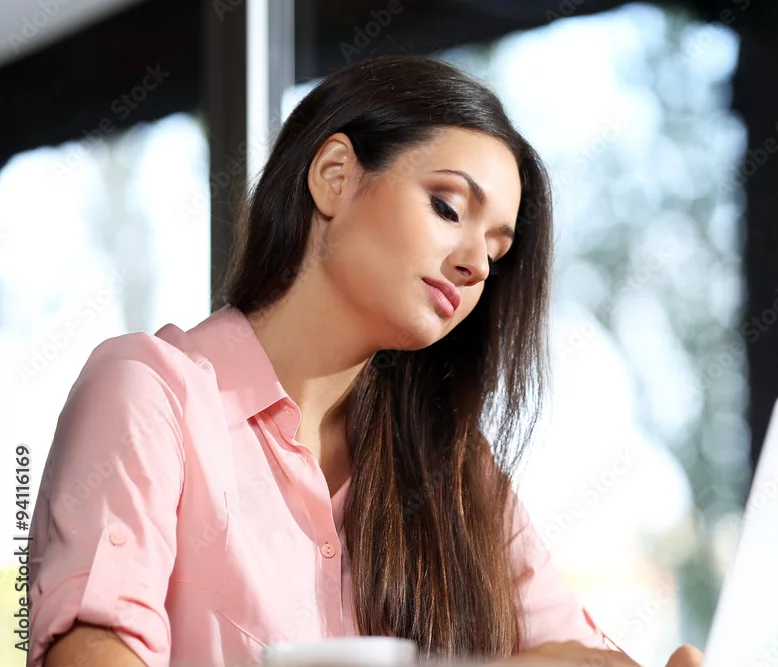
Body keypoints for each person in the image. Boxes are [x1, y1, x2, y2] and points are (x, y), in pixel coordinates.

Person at [27, 55, 703, 667]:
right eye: (448, 207)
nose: (475, 263)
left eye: (496, 255)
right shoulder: (151, 396)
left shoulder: (456, 472)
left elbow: (580, 657)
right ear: (336, 177)